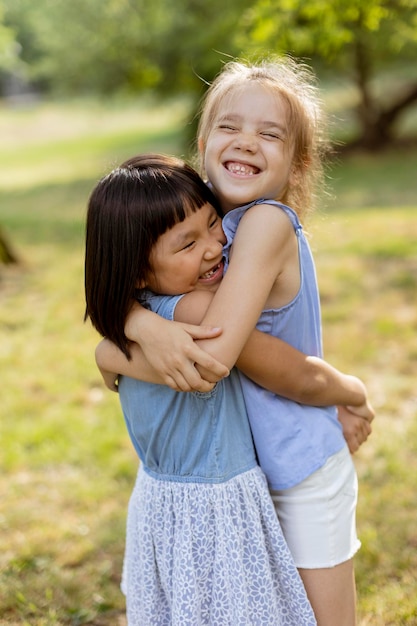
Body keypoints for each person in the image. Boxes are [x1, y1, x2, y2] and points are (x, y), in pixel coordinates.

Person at [98, 57, 374, 626]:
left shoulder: (266, 223)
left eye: (269, 134)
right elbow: (135, 281)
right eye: (229, 126)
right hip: (237, 477)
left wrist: (124, 337)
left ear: (297, 165)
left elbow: (215, 354)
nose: (246, 141)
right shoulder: (204, 223)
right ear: (203, 144)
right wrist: (135, 324)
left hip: (297, 469)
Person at [84, 153, 318, 625]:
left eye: (213, 224)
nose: (214, 247)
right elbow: (266, 364)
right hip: (214, 507)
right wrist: (350, 394)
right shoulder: (197, 311)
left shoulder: (140, 312)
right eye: (187, 244)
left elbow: (114, 339)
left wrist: (111, 345)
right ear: (137, 271)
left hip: (160, 500)